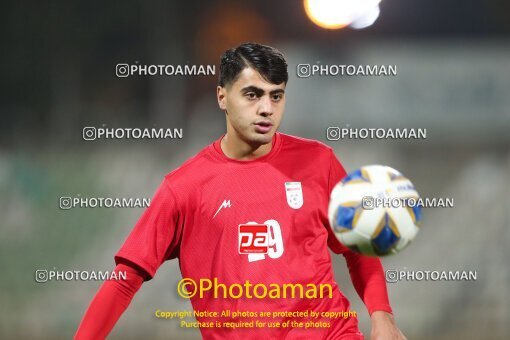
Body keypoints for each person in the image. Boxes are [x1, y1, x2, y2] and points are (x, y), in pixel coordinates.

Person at [75, 42, 406, 339]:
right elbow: (126, 278)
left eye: (276, 95)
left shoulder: (319, 162)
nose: (266, 108)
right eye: (252, 94)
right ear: (222, 96)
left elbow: (357, 247)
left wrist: (382, 316)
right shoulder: (184, 187)